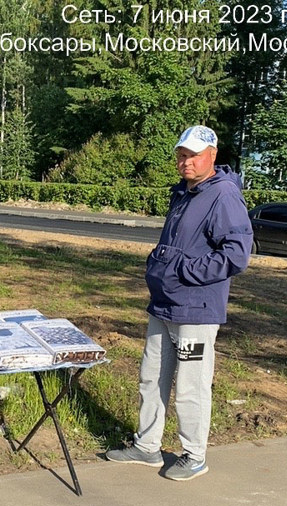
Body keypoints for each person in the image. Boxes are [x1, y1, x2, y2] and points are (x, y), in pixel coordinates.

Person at [105, 125, 253, 481]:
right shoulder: (184, 192)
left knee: (191, 385)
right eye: (182, 155)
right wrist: (160, 266)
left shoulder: (223, 195)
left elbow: (237, 254)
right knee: (151, 377)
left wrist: (184, 270)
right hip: (164, 302)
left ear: (212, 156)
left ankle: (194, 455)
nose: (186, 162)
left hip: (196, 308)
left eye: (194, 156)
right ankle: (147, 446)